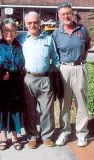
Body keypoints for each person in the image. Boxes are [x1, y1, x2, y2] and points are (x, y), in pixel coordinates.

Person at [16, 11, 59, 149]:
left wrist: (53, 72)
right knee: (30, 110)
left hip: (45, 78)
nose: (32, 25)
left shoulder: (48, 39)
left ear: (40, 23)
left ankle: (47, 136)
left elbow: (56, 58)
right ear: (25, 24)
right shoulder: (21, 39)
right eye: (29, 23)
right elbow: (7, 40)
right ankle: (32, 137)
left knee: (47, 110)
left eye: (35, 22)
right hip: (28, 79)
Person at [53, 2, 91, 147]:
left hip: (79, 68)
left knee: (81, 102)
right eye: (63, 14)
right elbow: (55, 52)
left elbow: (87, 46)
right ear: (59, 16)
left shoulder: (82, 30)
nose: (66, 16)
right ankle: (65, 131)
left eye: (68, 13)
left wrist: (80, 61)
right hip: (64, 70)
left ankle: (82, 133)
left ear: (72, 13)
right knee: (64, 102)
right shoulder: (56, 33)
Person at [0, 18, 25, 150]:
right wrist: (1, 72)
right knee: (1, 110)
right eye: (6, 30)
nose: (9, 33)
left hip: (16, 83)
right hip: (0, 84)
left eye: (12, 30)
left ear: (15, 31)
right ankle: (4, 138)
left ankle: (15, 138)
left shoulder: (20, 44)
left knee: (15, 110)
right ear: (1, 31)